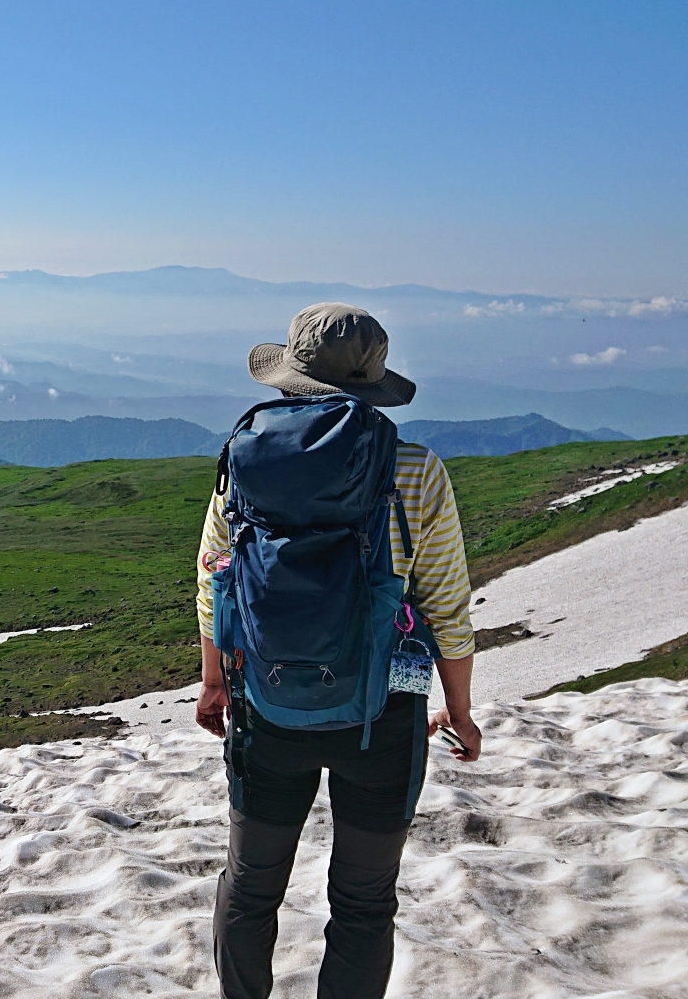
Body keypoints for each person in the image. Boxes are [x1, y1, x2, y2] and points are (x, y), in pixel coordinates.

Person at [194, 302, 481, 999]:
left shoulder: (247, 457)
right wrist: (461, 712)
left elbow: (213, 576)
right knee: (362, 900)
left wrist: (213, 683)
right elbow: (445, 604)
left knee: (252, 885)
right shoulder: (414, 468)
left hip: (267, 700)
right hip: (384, 711)